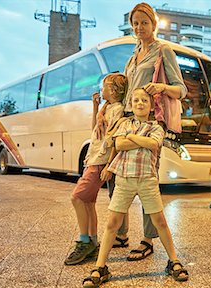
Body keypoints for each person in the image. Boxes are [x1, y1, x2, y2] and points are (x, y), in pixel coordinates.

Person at [96, 2, 187, 261]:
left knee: (147, 180)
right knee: (118, 176)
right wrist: (105, 108)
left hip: (150, 123)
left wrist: (160, 86)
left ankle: (147, 240)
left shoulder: (163, 50)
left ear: (153, 24)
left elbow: (181, 90)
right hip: (125, 120)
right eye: (135, 23)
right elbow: (123, 93)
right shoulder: (132, 57)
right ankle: (121, 234)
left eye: (144, 22)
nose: (139, 27)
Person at [82, 88, 189, 287]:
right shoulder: (124, 123)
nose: (140, 103)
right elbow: (119, 145)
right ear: (131, 104)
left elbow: (154, 145)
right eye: (136, 100)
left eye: (144, 101)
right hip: (124, 179)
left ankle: (173, 260)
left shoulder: (157, 127)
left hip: (147, 180)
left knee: (160, 221)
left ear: (151, 106)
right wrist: (140, 141)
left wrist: (131, 138)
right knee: (112, 223)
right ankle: (100, 267)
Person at [64, 73, 127, 266]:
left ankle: (84, 241)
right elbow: (95, 131)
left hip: (100, 159)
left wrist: (108, 164)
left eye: (105, 86)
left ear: (114, 91)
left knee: (77, 197)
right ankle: (92, 241)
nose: (102, 89)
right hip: (93, 158)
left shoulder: (117, 110)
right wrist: (95, 108)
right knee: (88, 202)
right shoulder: (105, 109)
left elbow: (114, 137)